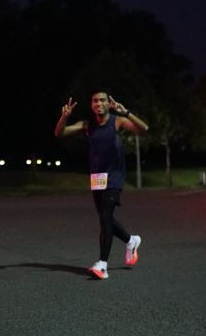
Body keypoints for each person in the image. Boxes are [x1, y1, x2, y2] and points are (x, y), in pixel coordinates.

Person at [54, 89, 149, 280]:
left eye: (102, 100)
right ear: (92, 105)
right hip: (97, 178)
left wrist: (126, 112)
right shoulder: (87, 125)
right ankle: (131, 240)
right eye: (95, 101)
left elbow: (143, 128)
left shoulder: (117, 121)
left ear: (108, 103)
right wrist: (64, 117)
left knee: (105, 215)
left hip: (114, 176)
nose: (99, 103)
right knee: (105, 218)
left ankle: (102, 265)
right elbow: (59, 133)